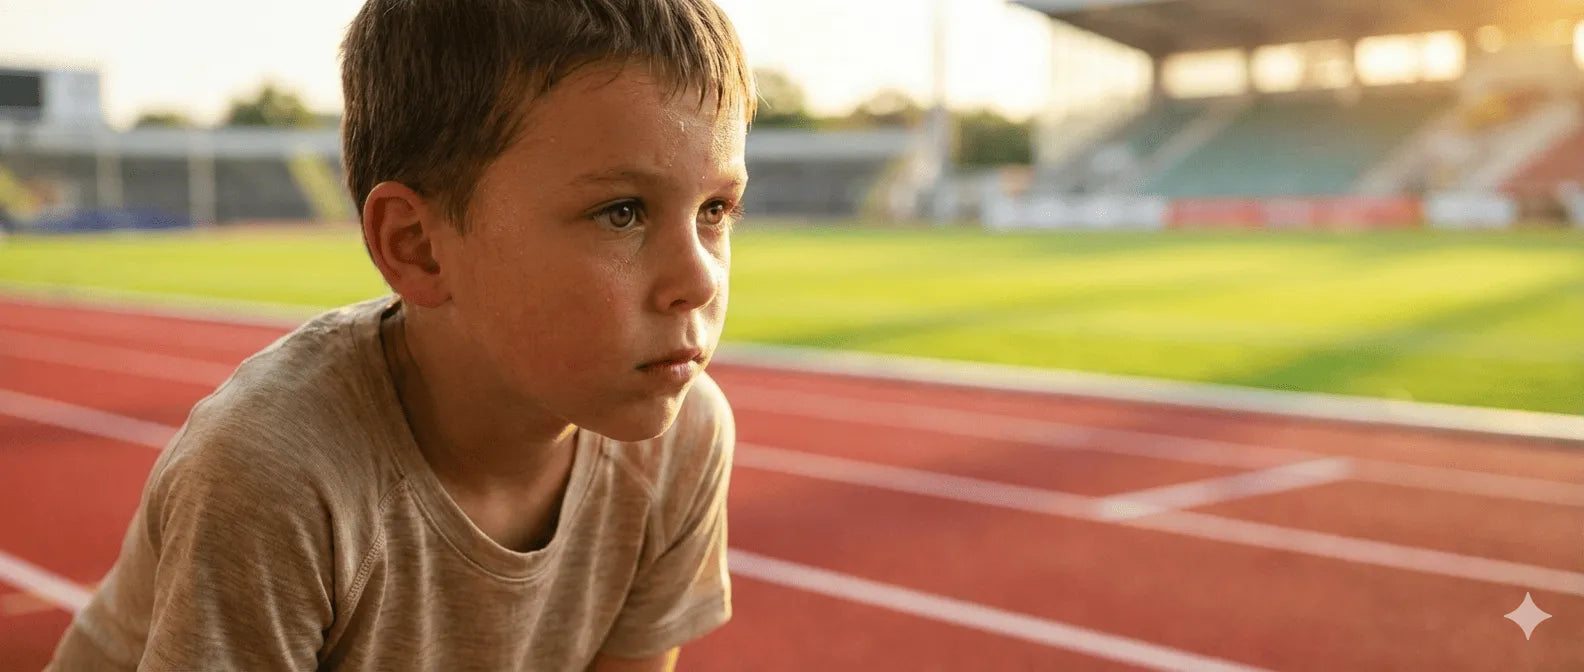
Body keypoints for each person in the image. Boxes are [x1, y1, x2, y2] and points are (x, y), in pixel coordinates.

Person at [48, 0, 752, 669]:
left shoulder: (682, 438)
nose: (701, 280)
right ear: (417, 245)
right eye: (622, 212)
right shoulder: (276, 474)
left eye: (716, 209)